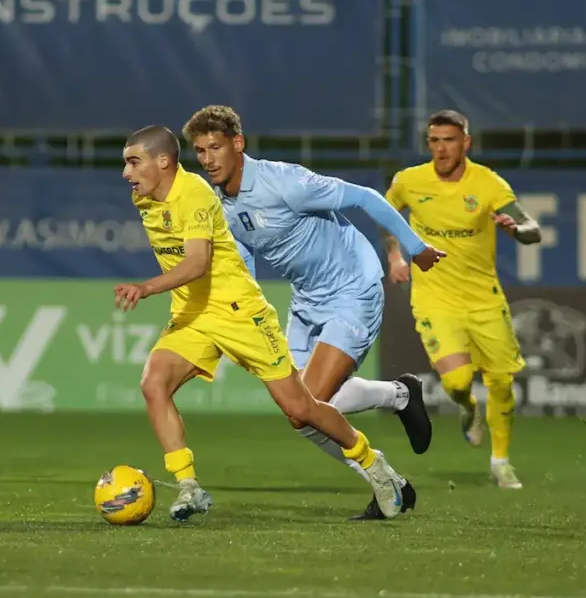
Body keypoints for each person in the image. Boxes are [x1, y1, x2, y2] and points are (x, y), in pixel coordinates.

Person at [116, 125, 410, 521]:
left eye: (133, 162)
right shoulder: (146, 199)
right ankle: (188, 486)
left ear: (163, 161)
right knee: (154, 384)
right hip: (193, 315)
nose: (126, 173)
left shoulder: (197, 196)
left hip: (239, 313)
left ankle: (375, 465)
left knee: (301, 409)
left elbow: (198, 262)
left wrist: (146, 287)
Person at [181, 105, 444, 521]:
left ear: (238, 143)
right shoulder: (221, 204)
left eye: (216, 147)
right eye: (200, 150)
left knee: (311, 401)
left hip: (352, 288)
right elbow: (245, 258)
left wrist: (416, 248)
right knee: (299, 415)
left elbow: (365, 197)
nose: (208, 159)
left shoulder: (285, 182)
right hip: (306, 302)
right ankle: (397, 409)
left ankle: (387, 477)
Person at [383, 109, 543, 490]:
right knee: (456, 381)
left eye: (449, 140)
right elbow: (388, 216)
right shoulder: (410, 181)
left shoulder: (488, 185)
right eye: (434, 141)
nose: (441, 149)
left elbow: (533, 228)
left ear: (466, 143)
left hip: (484, 300)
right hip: (435, 299)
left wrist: (516, 230)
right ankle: (467, 406)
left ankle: (501, 463)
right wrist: (394, 255)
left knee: (502, 382)